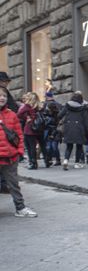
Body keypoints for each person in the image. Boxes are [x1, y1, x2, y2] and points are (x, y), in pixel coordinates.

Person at [0, 86, 37, 217]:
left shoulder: (12, 115)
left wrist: (19, 151)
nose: (2, 98)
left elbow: (19, 135)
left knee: (14, 185)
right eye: (0, 95)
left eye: (4, 95)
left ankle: (20, 208)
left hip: (10, 158)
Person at [59, 93, 88, 170]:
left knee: (69, 146)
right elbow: (86, 122)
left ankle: (66, 161)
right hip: (79, 129)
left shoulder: (67, 106)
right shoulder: (83, 109)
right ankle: (76, 163)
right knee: (79, 146)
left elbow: (59, 115)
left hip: (68, 128)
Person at [17, 92, 49, 169]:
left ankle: (33, 163)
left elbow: (19, 114)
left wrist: (26, 118)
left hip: (30, 128)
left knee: (31, 147)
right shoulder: (40, 105)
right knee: (43, 145)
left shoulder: (27, 106)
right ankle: (47, 161)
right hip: (39, 128)